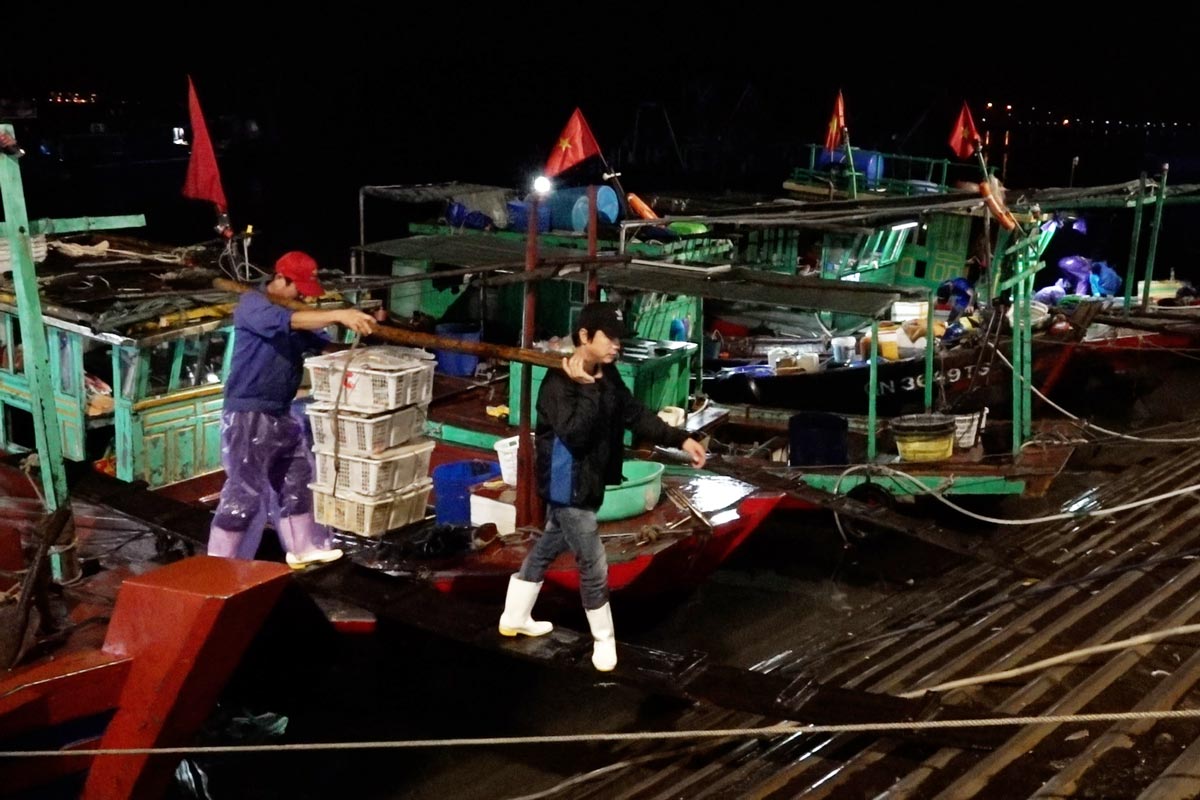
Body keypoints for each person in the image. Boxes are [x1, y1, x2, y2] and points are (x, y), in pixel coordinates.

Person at [497, 302, 707, 672]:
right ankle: (604, 642)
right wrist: (587, 389)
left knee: (549, 544)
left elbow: (634, 413)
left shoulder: (608, 376)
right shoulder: (557, 383)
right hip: (568, 485)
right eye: (609, 338)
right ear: (584, 337)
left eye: (618, 339)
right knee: (593, 563)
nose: (616, 346)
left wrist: (682, 438)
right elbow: (575, 435)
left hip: (591, 479)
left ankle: (514, 615)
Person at [208, 251, 376, 568]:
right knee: (244, 491)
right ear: (280, 279)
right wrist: (340, 314)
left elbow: (323, 344)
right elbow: (291, 321)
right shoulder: (253, 304)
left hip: (281, 412)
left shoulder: (295, 312)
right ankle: (219, 562)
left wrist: (369, 348)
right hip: (248, 414)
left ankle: (305, 547)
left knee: (298, 478)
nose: (301, 296)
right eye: (297, 288)